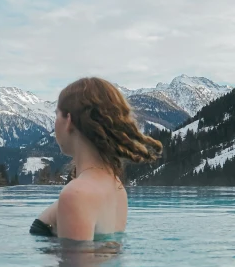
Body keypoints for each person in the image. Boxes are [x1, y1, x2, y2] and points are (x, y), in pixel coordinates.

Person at [29, 77, 163, 241]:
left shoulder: (76, 194)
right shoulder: (116, 187)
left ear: (69, 120)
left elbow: (80, 266)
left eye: (57, 114)